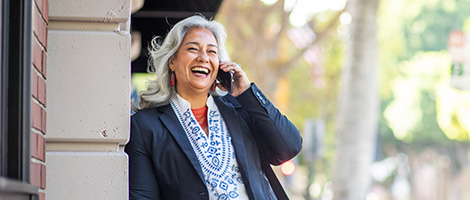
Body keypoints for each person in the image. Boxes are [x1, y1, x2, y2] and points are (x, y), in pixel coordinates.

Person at [125, 15, 302, 200]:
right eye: (193, 49)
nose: (203, 58)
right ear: (172, 61)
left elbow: (289, 147)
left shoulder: (240, 110)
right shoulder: (145, 127)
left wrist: (247, 93)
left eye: (212, 52)